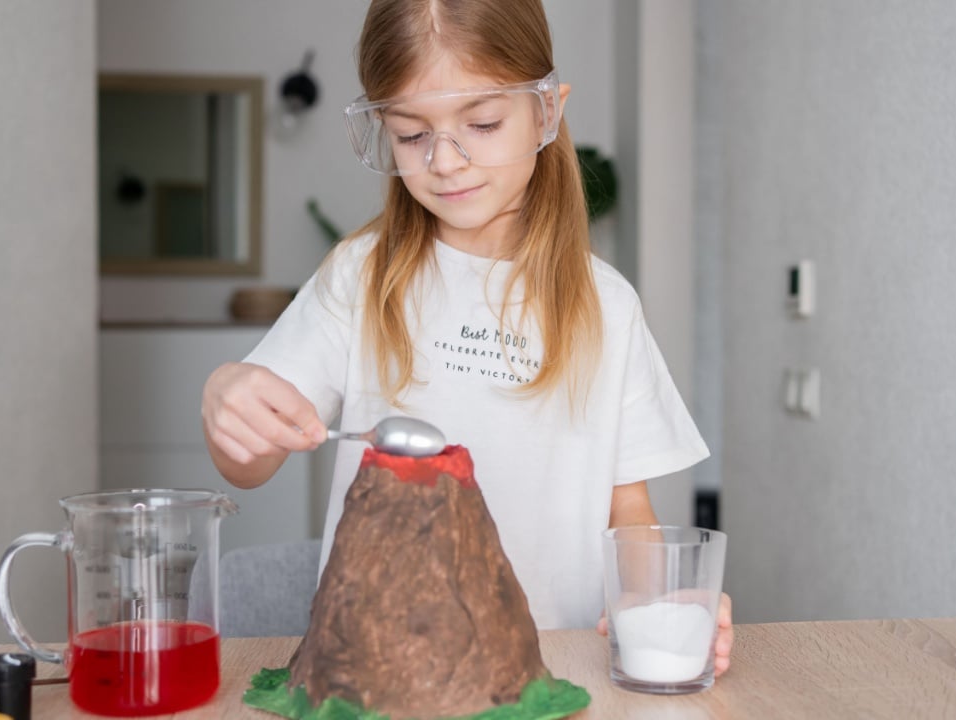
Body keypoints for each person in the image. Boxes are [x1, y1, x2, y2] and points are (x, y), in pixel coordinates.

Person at [201, 0, 733, 677]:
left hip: (555, 667)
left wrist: (660, 603)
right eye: (410, 134)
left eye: (481, 124)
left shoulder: (608, 307)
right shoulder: (359, 279)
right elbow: (249, 462)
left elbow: (628, 507)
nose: (445, 161)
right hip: (381, 674)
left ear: (547, 110)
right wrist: (228, 400)